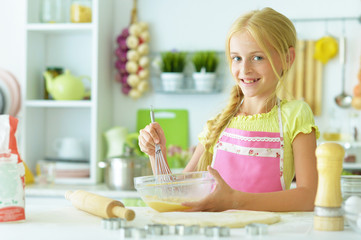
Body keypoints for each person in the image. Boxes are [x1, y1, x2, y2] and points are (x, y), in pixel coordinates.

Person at [138, 7, 319, 212]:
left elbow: (308, 197)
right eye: (237, 58)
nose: (245, 69)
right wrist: (156, 153)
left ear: (288, 58)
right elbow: (175, 193)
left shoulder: (295, 115)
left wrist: (235, 201)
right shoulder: (219, 123)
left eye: (258, 57)